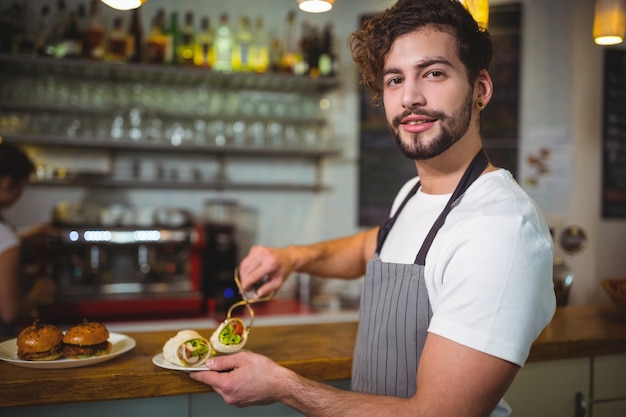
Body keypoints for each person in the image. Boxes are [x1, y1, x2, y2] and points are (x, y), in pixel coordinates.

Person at [190, 1, 556, 416]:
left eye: (434, 72)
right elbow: (373, 247)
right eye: (395, 79)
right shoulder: (412, 194)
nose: (411, 97)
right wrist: (293, 257)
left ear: (480, 89)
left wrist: (283, 386)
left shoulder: (500, 229)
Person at [0, 141, 56, 337]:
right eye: (22, 187)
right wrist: (40, 290)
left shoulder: (7, 237)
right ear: (7, 182)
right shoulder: (5, 238)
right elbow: (9, 312)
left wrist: (22, 238)